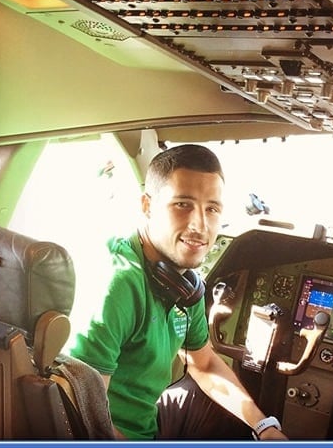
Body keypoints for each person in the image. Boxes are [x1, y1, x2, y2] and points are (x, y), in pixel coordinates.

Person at [70, 144, 288, 441]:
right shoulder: (119, 286)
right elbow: (87, 419)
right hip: (116, 434)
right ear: (147, 206)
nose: (200, 225)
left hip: (150, 420)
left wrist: (264, 426)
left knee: (225, 408)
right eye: (183, 204)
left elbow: (206, 363)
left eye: (212, 209)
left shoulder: (183, 283)